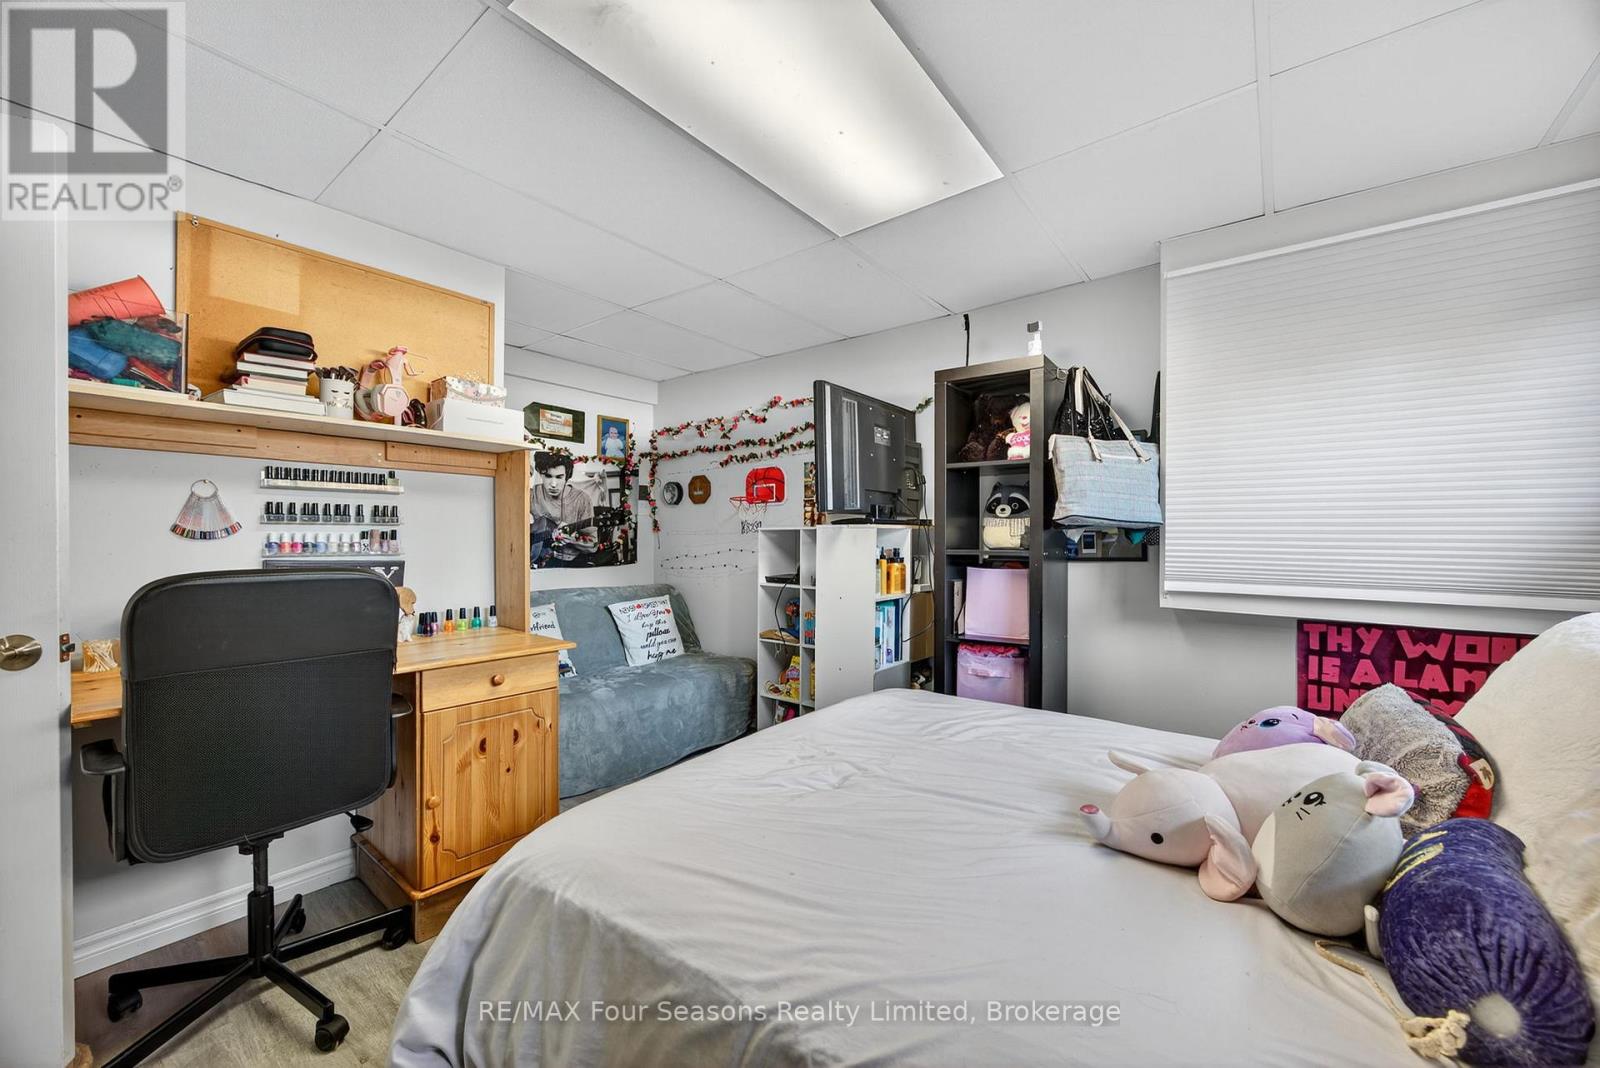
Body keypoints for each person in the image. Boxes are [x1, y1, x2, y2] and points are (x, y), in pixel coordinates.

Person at [530, 452, 597, 565]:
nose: (553, 484)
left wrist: (572, 539)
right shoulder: (532, 495)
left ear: (567, 476)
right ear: (540, 474)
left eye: (559, 477)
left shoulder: (582, 499)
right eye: (548, 476)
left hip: (572, 563)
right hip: (540, 560)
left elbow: (593, 545)